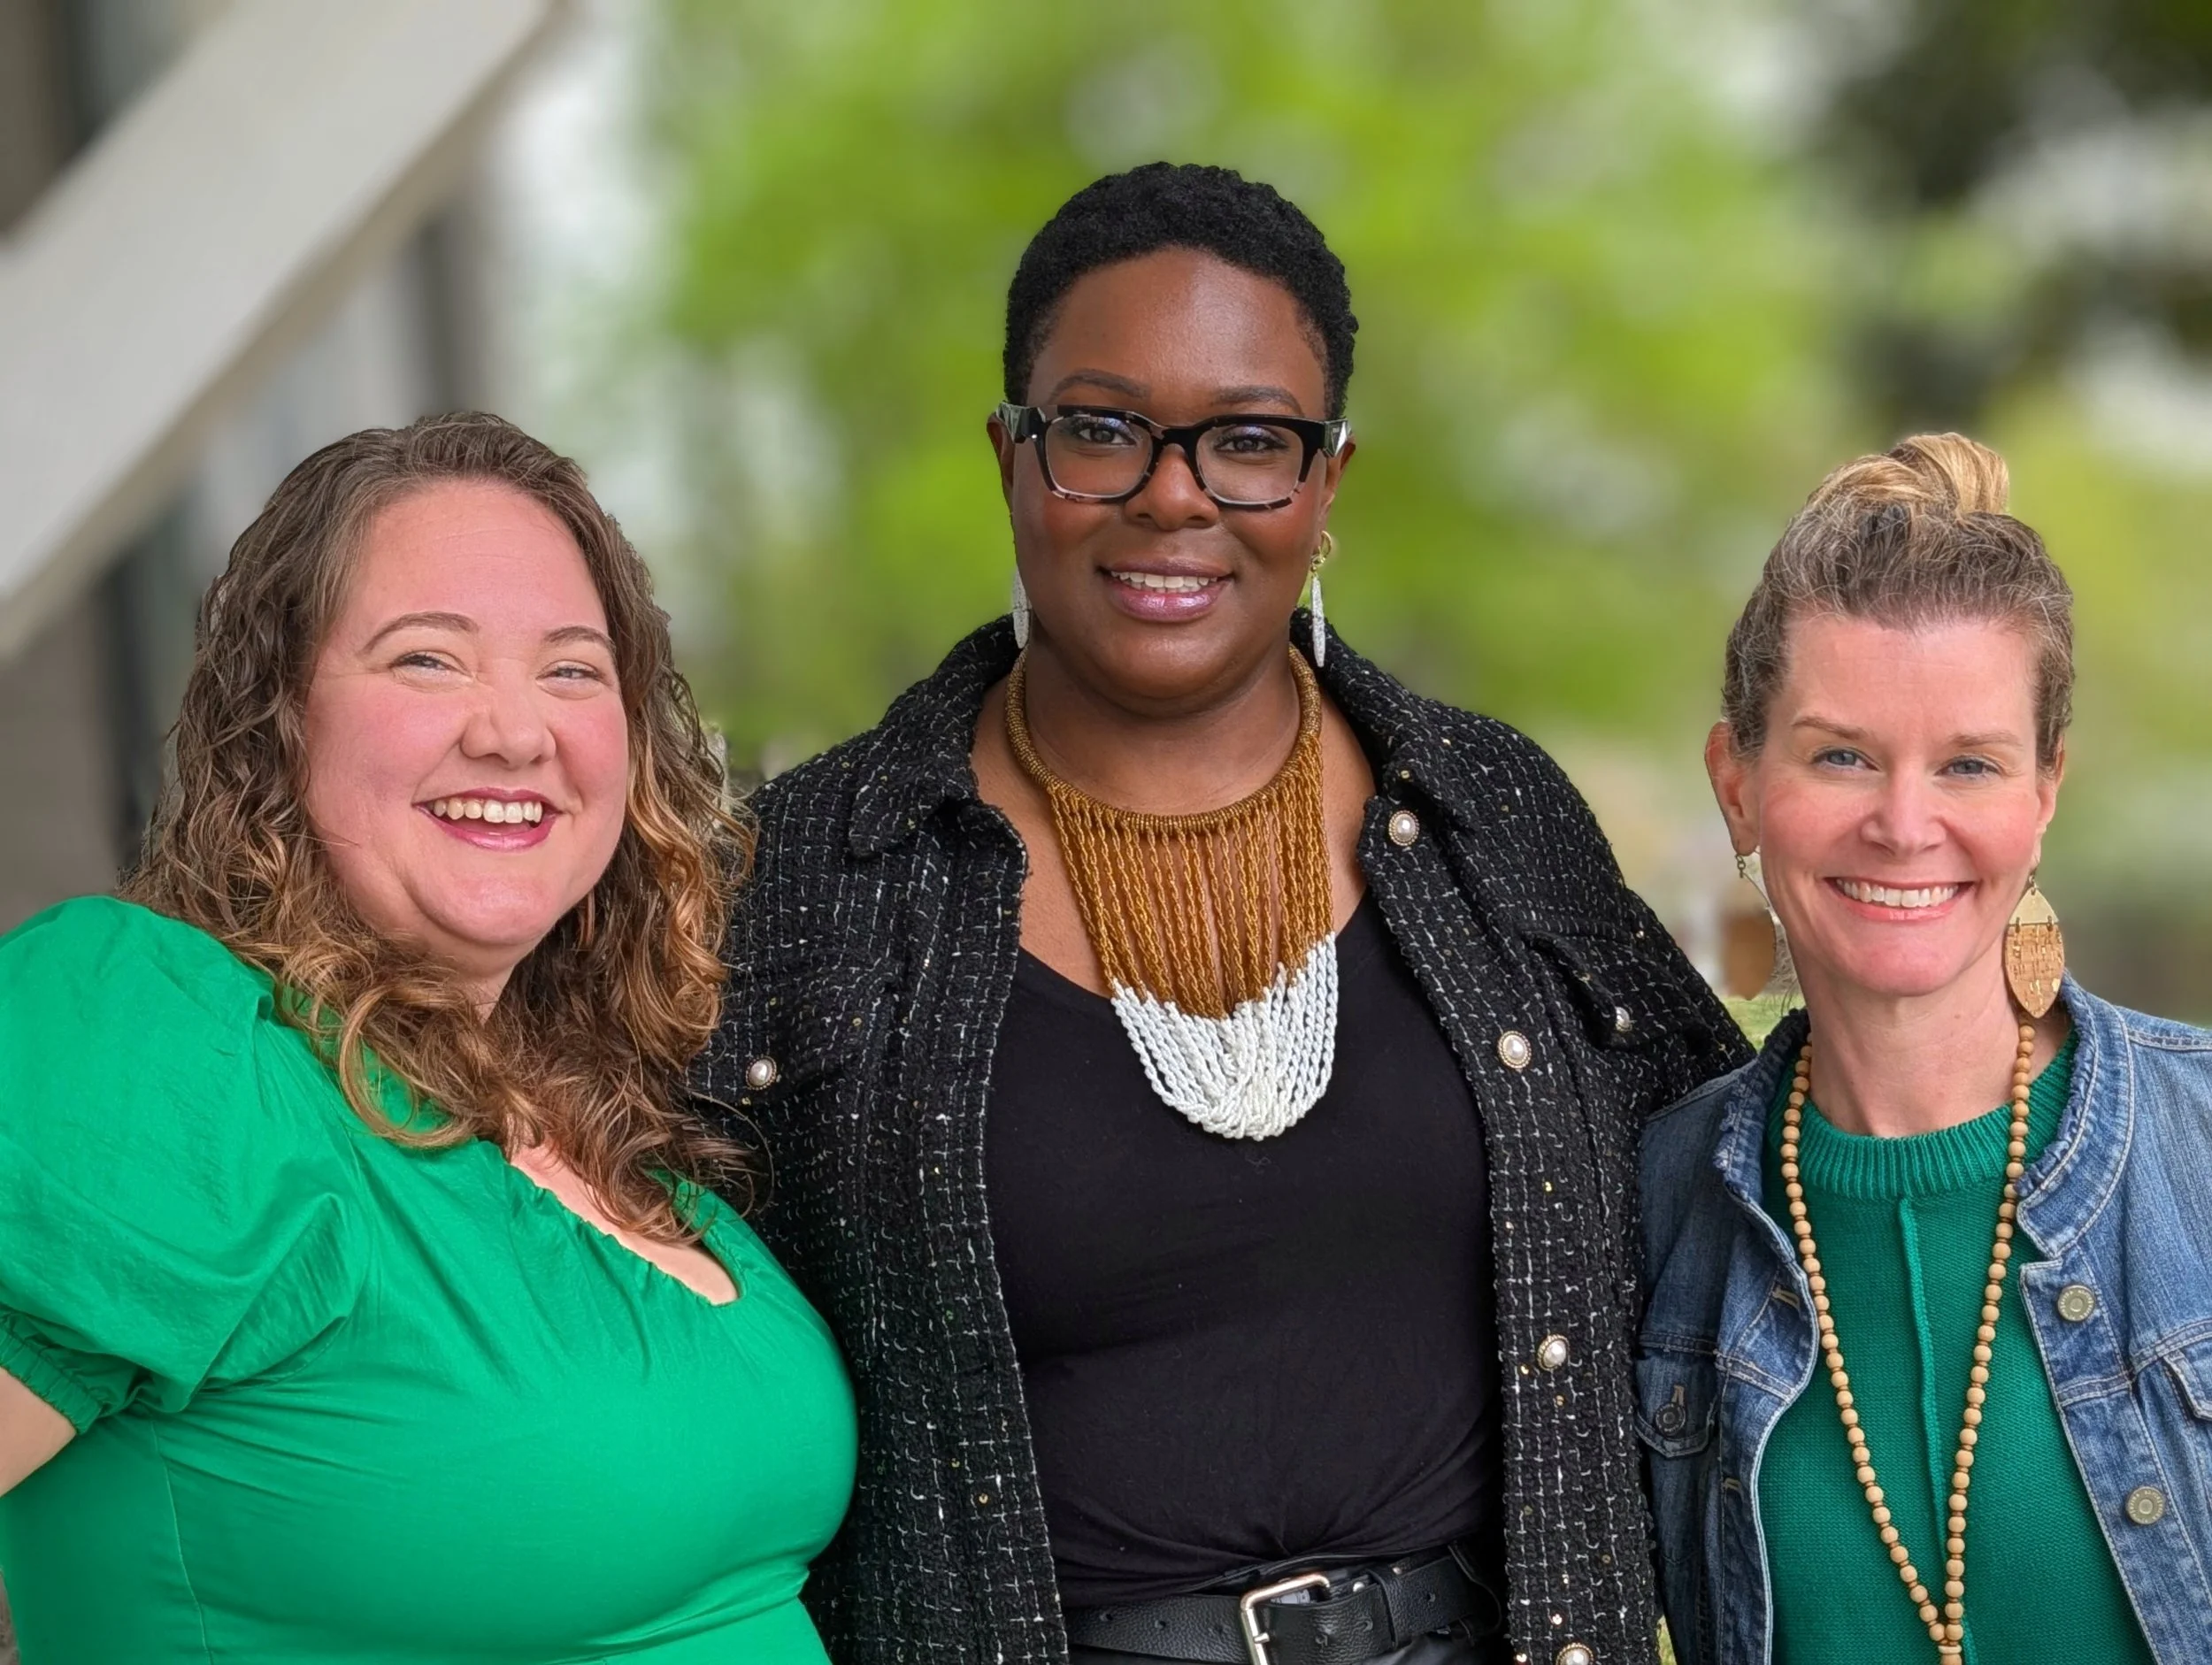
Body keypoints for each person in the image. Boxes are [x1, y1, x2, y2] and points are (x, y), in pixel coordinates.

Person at [704, 162, 1747, 1665]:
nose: (1174, 493)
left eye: (1249, 440)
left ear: (1328, 483)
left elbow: (1738, 1208)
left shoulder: (1487, 814)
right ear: (1011, 456)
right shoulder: (812, 872)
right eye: (1102, 429)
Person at [0, 413, 856, 1663]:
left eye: (572, 671)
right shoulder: (170, 1050)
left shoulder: (590, 1122)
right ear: (278, 718)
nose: (515, 731)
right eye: (426, 660)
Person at [1640, 434, 2212, 1664]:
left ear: (2045, 790)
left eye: (1969, 764)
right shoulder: (1654, 1209)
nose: (1905, 825)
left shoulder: (2201, 1150)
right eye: (1840, 755)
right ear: (1737, 783)